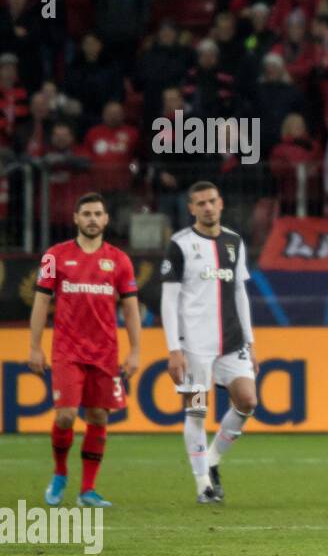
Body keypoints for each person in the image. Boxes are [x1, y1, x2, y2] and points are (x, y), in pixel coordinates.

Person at [29, 192, 141, 508]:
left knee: (97, 417)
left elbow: (131, 309)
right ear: (76, 218)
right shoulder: (56, 256)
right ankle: (60, 472)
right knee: (65, 416)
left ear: (106, 220)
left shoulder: (119, 260)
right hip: (67, 351)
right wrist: (34, 346)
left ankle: (87, 490)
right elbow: (41, 302)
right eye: (86, 214)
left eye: (98, 214)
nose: (92, 219)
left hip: (105, 352)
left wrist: (135, 351)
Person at [161, 181, 259, 504]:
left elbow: (240, 293)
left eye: (211, 201)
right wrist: (174, 348)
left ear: (221, 204)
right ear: (191, 208)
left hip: (232, 341)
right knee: (197, 412)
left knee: (247, 400)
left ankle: (213, 460)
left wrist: (251, 340)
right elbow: (169, 299)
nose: (207, 207)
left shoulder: (233, 241)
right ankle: (203, 482)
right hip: (194, 346)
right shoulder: (180, 245)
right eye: (200, 203)